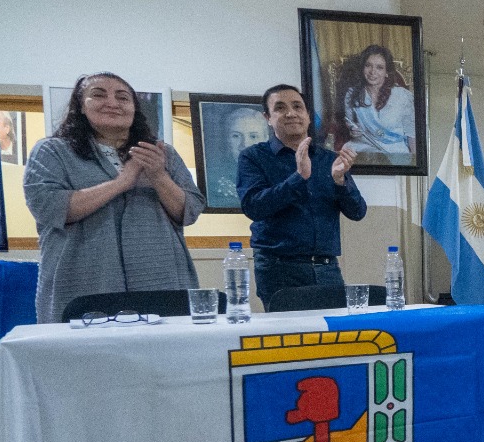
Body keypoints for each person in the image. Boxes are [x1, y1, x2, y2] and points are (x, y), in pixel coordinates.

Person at [23, 72, 204, 323]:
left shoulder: (163, 153)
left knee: (164, 357)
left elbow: (190, 210)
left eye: (123, 97)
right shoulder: (53, 151)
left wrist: (159, 176)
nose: (113, 102)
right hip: (85, 285)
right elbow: (49, 206)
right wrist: (122, 182)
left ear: (134, 109)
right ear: (81, 107)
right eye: (98, 94)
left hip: (161, 281)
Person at [237, 84, 367, 305]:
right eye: (280, 108)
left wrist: (340, 181)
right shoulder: (253, 157)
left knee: (334, 338)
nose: (291, 113)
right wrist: (299, 177)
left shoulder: (329, 159)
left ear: (307, 115)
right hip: (279, 269)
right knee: (289, 338)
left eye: (298, 106)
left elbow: (358, 212)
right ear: (267, 117)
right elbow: (253, 207)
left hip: (327, 268)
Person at [335, 44, 415, 161]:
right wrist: (353, 131)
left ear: (387, 72)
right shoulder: (352, 94)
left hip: (395, 152)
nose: (373, 72)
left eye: (379, 67)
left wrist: (414, 161)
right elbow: (350, 124)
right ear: (362, 68)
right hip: (362, 148)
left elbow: (411, 133)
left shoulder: (403, 96)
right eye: (368, 65)